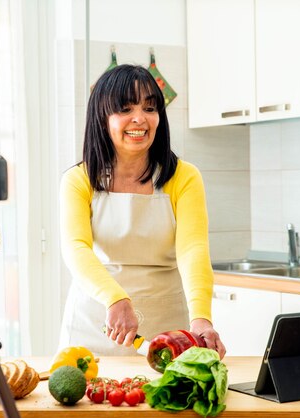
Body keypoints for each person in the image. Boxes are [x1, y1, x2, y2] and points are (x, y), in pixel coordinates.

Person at [58, 64, 226, 359]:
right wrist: (115, 299)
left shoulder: (184, 177)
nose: (140, 118)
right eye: (125, 109)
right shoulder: (78, 180)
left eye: (150, 108)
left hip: (167, 326)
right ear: (102, 117)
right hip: (96, 321)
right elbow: (76, 249)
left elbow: (193, 249)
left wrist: (201, 317)